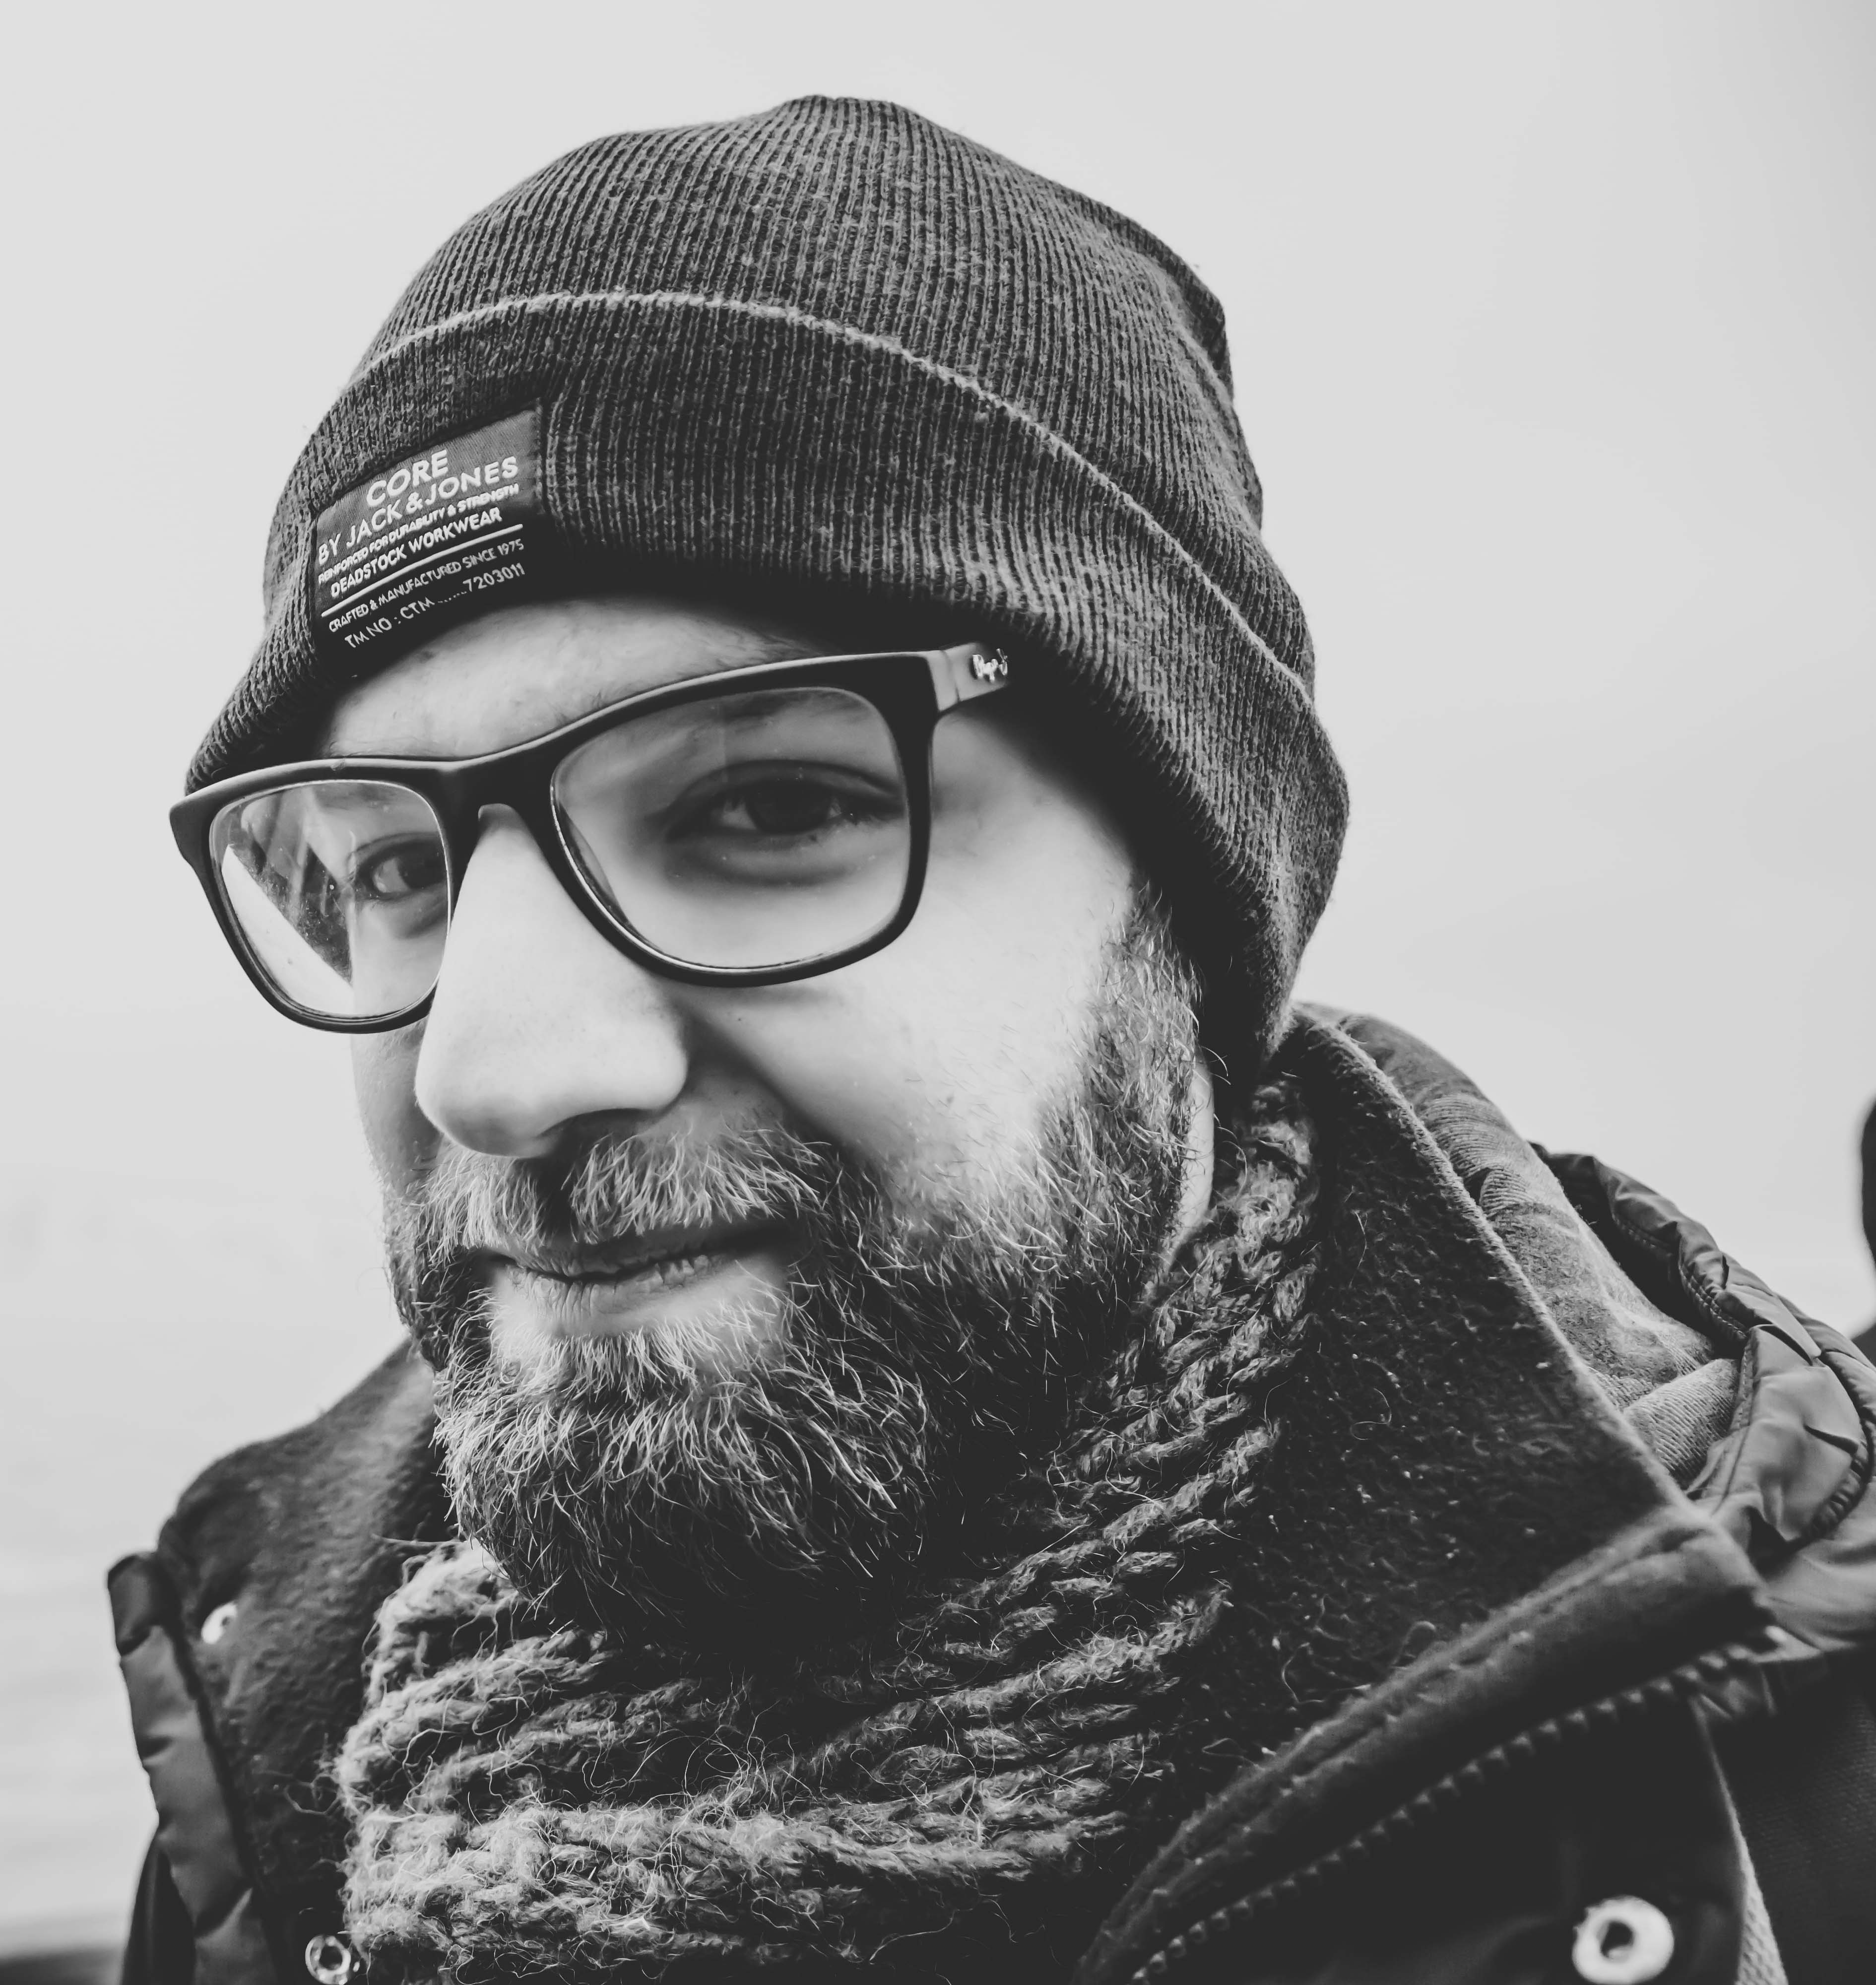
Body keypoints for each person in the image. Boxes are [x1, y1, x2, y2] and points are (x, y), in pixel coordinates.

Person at [112, 99, 1876, 1985]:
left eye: (770, 808)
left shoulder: (1791, 1761)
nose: (493, 1069)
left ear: (1187, 930)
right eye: (393, 867)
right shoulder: (281, 1764)